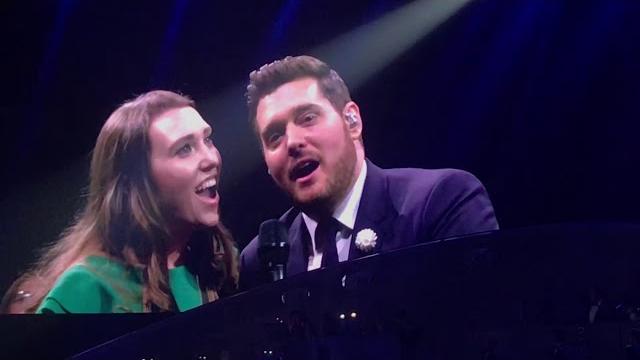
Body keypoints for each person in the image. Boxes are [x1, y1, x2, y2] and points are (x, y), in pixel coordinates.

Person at [239, 55, 499, 289]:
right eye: (274, 136)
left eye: (308, 118)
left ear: (352, 121)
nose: (292, 142)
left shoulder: (440, 202)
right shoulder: (260, 260)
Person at [2, 90, 238, 313]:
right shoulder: (87, 289)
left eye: (207, 140)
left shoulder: (219, 265)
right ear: (136, 183)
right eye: (184, 149)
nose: (210, 159)